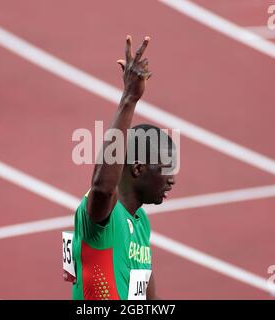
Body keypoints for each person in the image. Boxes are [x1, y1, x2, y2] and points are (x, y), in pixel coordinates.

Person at [66, 35, 177, 300]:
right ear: (138, 168)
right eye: (166, 169)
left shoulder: (141, 225)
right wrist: (129, 99)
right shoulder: (102, 215)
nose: (172, 180)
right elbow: (103, 188)